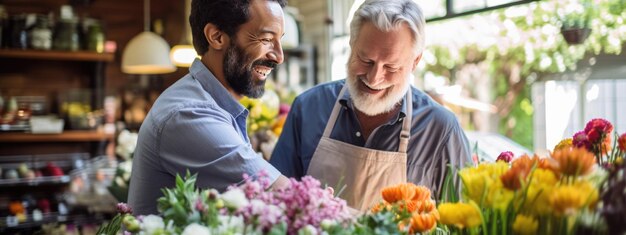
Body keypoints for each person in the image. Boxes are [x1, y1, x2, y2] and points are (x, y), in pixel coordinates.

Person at [270, 0, 472, 211]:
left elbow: (464, 223)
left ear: (415, 61)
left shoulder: (440, 130)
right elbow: (276, 204)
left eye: (391, 67)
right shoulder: (308, 108)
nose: (374, 78)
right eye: (366, 60)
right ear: (352, 44)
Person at [128, 0, 290, 215]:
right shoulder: (188, 114)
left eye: (279, 41)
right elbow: (288, 198)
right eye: (267, 39)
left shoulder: (212, 103)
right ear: (216, 37)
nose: (279, 56)